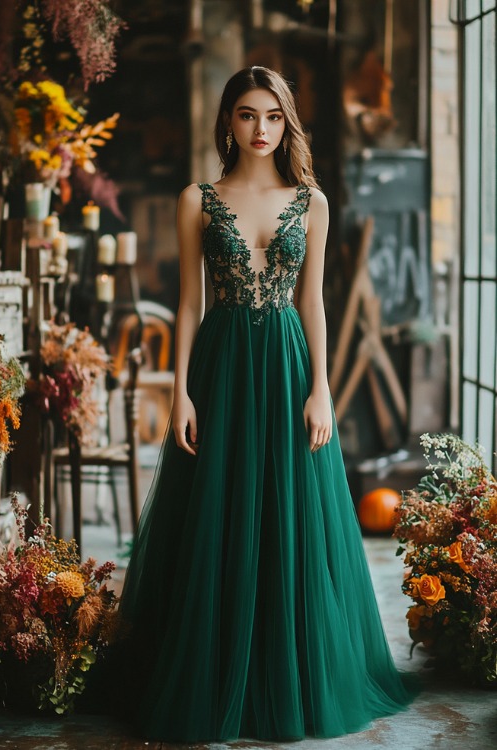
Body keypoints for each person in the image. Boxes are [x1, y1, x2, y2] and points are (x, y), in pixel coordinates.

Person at [115, 65, 420, 742]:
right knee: (216, 516)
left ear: (288, 123)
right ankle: (216, 669)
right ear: (228, 120)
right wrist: (182, 393)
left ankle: (286, 676)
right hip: (222, 365)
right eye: (248, 115)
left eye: (274, 116)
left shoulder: (310, 202)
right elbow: (192, 303)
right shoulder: (197, 198)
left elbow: (313, 301)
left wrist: (321, 390)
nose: (261, 129)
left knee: (286, 517)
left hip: (286, 365)